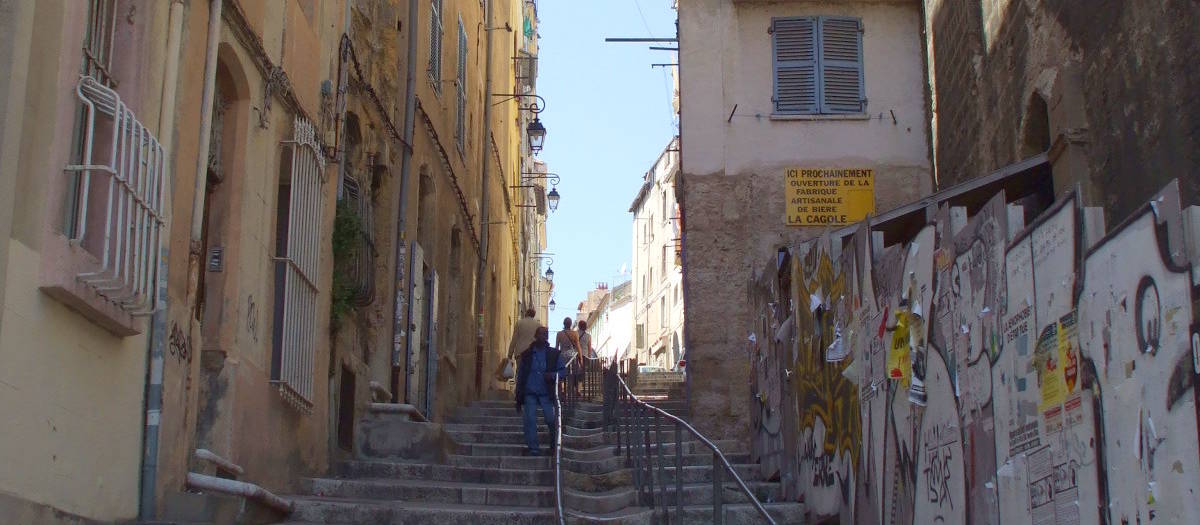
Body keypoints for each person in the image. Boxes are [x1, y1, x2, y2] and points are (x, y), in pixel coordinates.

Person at [515, 326, 566, 456]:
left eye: (545, 334)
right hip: (529, 391)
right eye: (540, 334)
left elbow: (563, 371)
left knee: (550, 419)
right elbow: (520, 374)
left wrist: (553, 375)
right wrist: (518, 395)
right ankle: (533, 448)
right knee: (530, 419)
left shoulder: (554, 354)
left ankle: (554, 445)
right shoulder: (526, 355)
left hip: (546, 393)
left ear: (547, 337)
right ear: (536, 336)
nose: (542, 337)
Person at [500, 308, 539, 381]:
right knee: (531, 373)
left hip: (520, 353)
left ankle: (519, 389)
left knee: (520, 372)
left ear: (526, 313)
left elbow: (514, 339)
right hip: (533, 354)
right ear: (534, 315)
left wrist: (510, 354)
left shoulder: (519, 323)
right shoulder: (538, 325)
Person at [555, 317, 581, 392]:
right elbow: (578, 346)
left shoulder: (559, 334)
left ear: (564, 324)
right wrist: (580, 358)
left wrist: (555, 358)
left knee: (562, 372)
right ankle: (574, 389)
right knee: (574, 373)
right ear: (570, 324)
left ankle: (563, 390)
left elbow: (556, 347)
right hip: (572, 355)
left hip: (562, 355)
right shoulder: (575, 333)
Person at [575, 320, 592, 394]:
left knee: (575, 372)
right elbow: (589, 348)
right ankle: (578, 389)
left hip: (575, 355)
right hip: (584, 356)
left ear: (579, 326)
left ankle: (575, 388)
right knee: (582, 374)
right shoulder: (588, 336)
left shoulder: (574, 334)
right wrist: (589, 357)